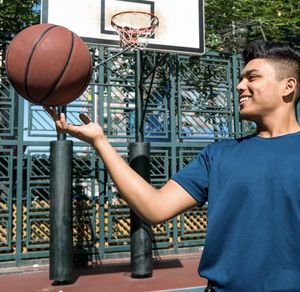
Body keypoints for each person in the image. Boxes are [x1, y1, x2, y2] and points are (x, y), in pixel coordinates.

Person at [45, 40, 300, 291]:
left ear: (287, 86)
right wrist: (100, 142)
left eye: (252, 77)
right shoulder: (219, 154)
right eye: (241, 78)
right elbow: (155, 208)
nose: (239, 86)